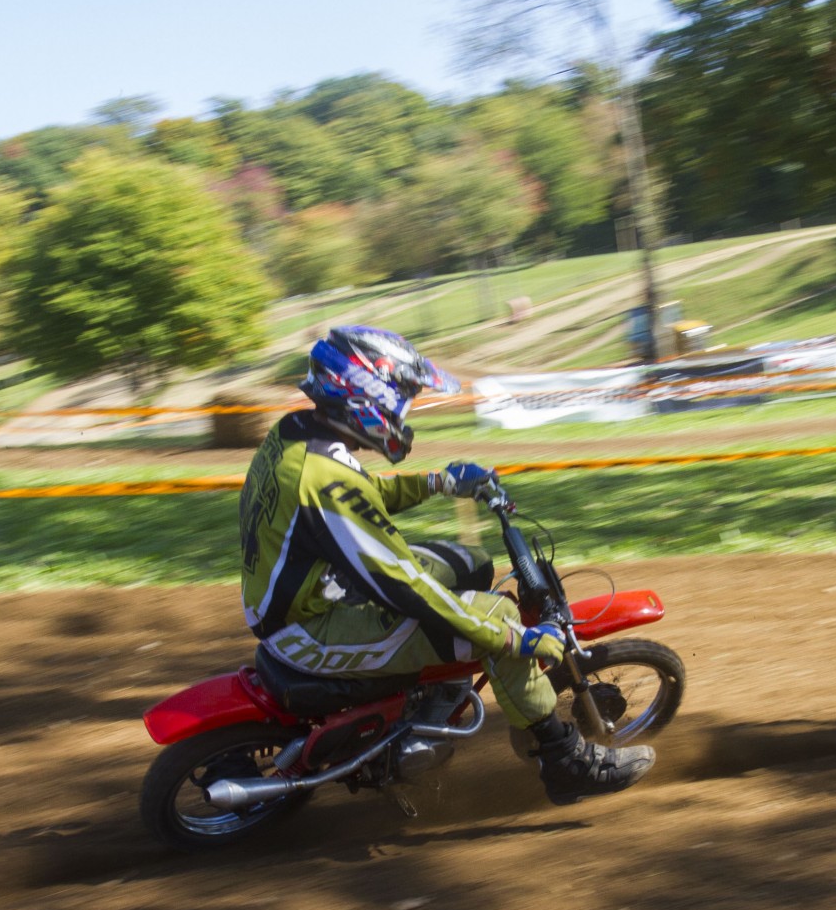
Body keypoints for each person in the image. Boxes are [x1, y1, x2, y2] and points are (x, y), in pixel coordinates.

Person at [239, 325, 656, 803]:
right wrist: (510, 637)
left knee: (471, 564)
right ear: (367, 394)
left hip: (311, 592)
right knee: (496, 620)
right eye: (404, 396)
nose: (406, 409)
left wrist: (441, 483)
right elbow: (406, 584)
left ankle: (433, 704)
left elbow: (361, 499)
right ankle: (567, 763)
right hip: (308, 631)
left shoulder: (296, 437)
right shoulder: (325, 479)